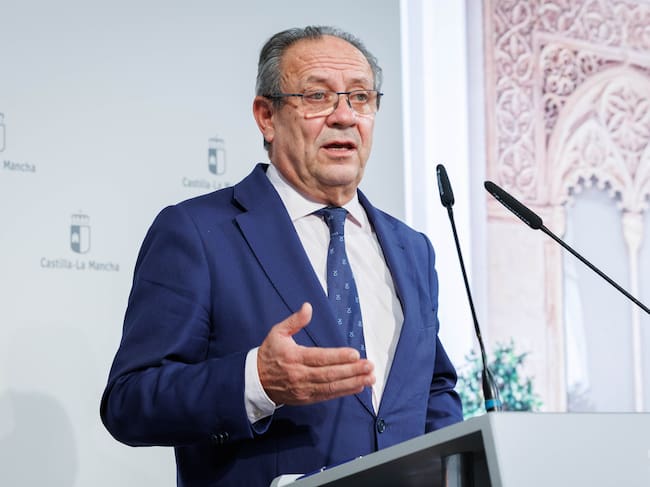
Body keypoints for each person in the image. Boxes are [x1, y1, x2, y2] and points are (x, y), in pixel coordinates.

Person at [100, 25, 463, 486]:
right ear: (266, 117)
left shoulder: (412, 248)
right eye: (317, 96)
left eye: (360, 97)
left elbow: (431, 386)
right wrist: (256, 381)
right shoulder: (198, 233)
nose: (344, 116)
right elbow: (130, 402)